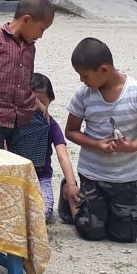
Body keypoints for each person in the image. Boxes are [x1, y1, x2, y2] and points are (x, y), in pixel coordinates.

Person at [64, 37, 137, 243]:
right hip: (92, 174)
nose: (82, 80)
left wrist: (131, 146)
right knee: (92, 232)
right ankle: (69, 199)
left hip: (124, 177)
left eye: (85, 75)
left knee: (127, 235)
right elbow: (71, 131)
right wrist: (96, 144)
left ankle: (104, 212)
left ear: (104, 69)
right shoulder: (83, 94)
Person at [0, 0, 56, 161]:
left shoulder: (31, 48)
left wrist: (37, 103)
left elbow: (26, 81)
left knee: (21, 165)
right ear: (27, 20)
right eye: (42, 29)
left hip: (21, 118)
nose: (41, 35)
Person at [30, 73, 79, 224]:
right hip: (20, 177)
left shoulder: (51, 125)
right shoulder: (15, 122)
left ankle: (64, 193)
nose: (38, 108)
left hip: (41, 176)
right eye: (32, 103)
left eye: (42, 102)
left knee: (44, 214)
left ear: (50, 101)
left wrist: (71, 184)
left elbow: (62, 155)